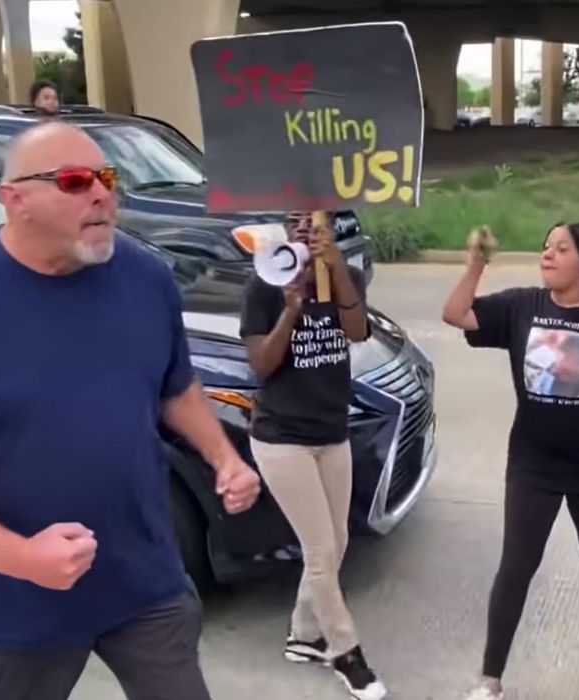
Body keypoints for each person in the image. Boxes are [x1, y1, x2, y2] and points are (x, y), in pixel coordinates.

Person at [0, 122, 262, 700]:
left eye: (107, 177)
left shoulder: (145, 280)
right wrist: (21, 558)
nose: (101, 193)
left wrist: (223, 457)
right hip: (7, 607)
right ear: (14, 199)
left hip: (143, 580)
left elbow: (175, 385)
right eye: (73, 180)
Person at [442, 222, 579, 699]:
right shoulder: (523, 305)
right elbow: (455, 314)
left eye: (561, 249)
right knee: (516, 566)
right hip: (533, 464)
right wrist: (476, 265)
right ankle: (490, 680)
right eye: (545, 246)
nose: (547, 254)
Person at [239, 211, 384, 700]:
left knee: (337, 541)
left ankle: (303, 635)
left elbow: (358, 330)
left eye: (314, 221)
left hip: (331, 431)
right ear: (284, 228)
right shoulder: (263, 283)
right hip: (282, 438)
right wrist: (291, 308)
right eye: (296, 222)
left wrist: (336, 266)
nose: (305, 229)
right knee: (320, 552)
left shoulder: (343, 275)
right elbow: (262, 364)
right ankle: (346, 652)